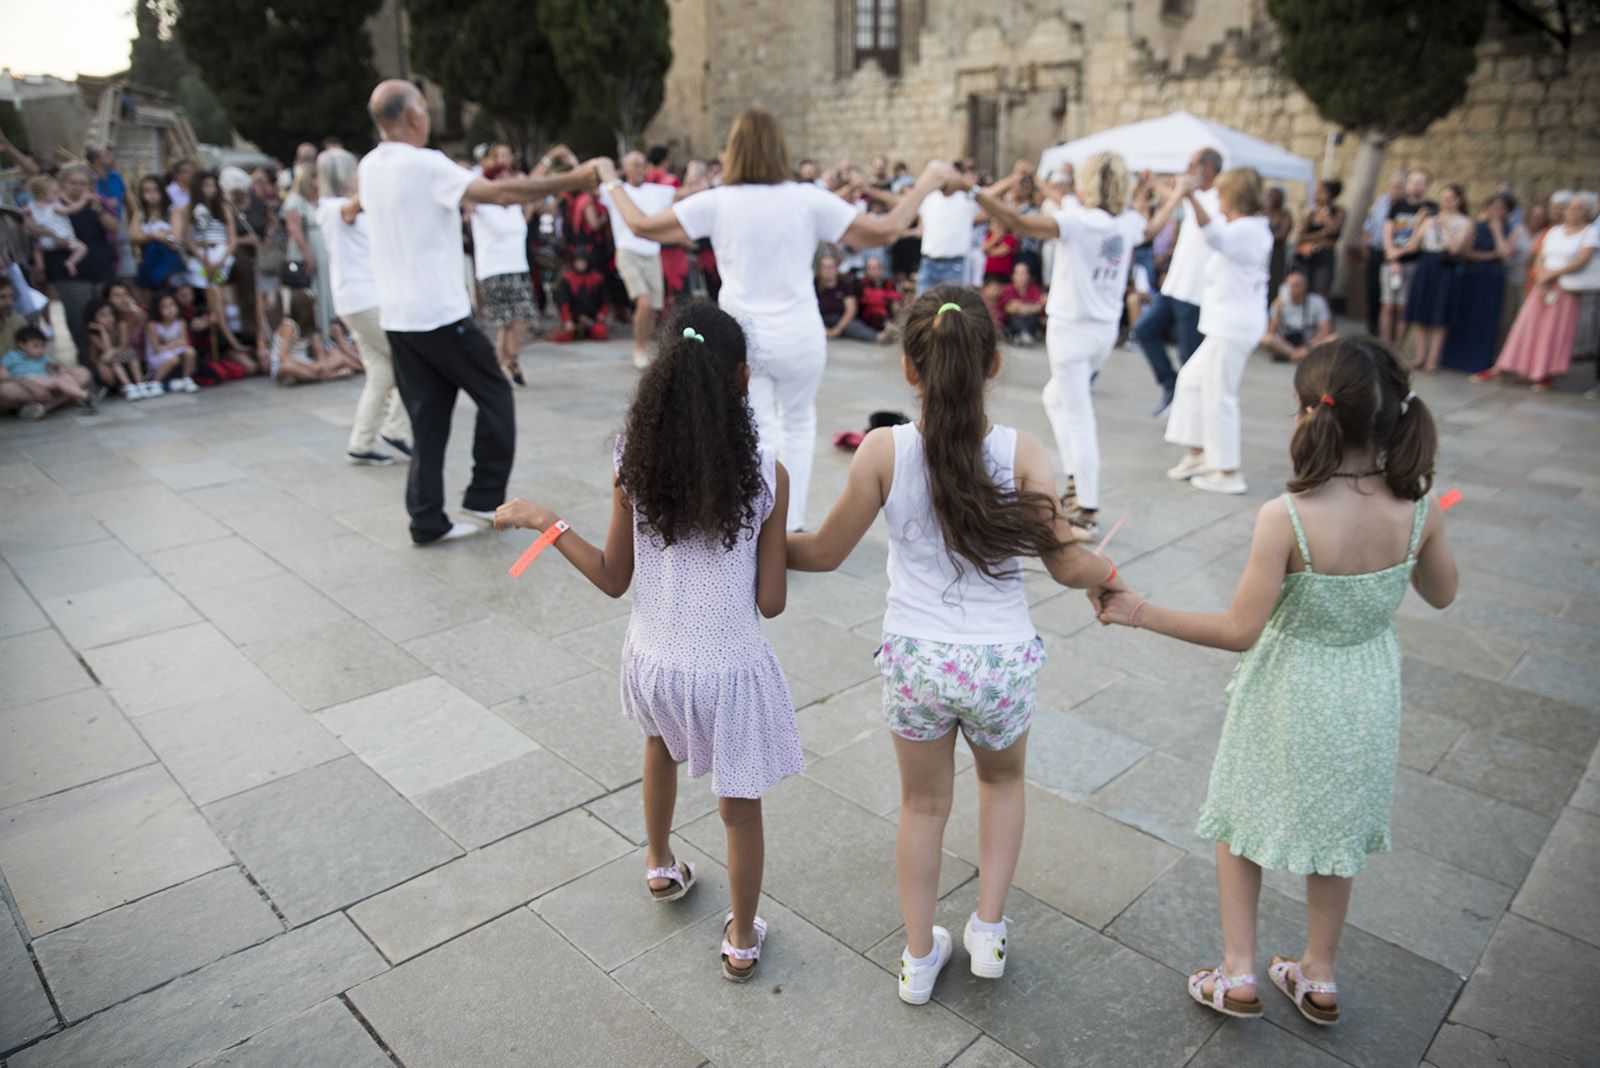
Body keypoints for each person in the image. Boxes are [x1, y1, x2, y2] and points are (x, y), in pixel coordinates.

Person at [1093, 337, 1457, 1029]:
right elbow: (1443, 594)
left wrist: (1140, 610)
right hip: (1365, 692)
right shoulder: (1420, 507)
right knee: (1338, 834)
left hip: (1288, 687)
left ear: (1307, 413)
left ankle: (1238, 974)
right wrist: (1419, 532)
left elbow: (1239, 629)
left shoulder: (1286, 517)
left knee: (1241, 822)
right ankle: (1319, 975)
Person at [786, 288, 1125, 1004]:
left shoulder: (884, 450)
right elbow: (1068, 565)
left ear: (912, 371)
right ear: (994, 364)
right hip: (999, 661)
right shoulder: (1022, 451)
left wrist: (753, 539)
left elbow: (819, 553)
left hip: (917, 660)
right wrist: (1107, 572)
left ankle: (916, 957)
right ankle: (990, 930)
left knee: (922, 806)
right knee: (1001, 784)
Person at [494, 304, 797, 981]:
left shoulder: (632, 459)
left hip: (654, 660)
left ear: (661, 377)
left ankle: (660, 866)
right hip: (726, 670)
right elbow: (771, 601)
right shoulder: (766, 475)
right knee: (739, 808)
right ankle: (743, 941)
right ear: (742, 380)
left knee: (658, 746)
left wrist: (546, 520)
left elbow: (611, 577)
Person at [599, 109, 950, 531]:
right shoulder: (806, 197)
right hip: (799, 334)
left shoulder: (718, 200)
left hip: (740, 340)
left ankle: (759, 523)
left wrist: (610, 178)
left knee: (755, 431)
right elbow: (885, 229)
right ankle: (791, 524)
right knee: (799, 426)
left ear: (735, 152)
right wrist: (928, 180)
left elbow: (639, 225)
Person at [352, 80, 597, 545]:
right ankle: (484, 496)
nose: (426, 116)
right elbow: (500, 195)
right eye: (423, 107)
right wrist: (573, 179)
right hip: (439, 315)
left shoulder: (370, 164)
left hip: (399, 319)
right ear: (411, 117)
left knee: (429, 419)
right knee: (496, 395)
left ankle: (426, 520)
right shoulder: (425, 164)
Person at [977, 153, 1150, 540]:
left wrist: (975, 192)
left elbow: (1020, 222)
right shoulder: (1127, 222)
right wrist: (1157, 194)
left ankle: (1085, 509)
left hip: (1072, 331)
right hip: (1103, 332)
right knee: (1055, 397)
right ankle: (1076, 486)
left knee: (1078, 415)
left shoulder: (1077, 222)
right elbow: (1149, 224)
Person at [1164, 168, 1273, 496]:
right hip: (1226, 325)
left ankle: (1228, 470)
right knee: (1192, 381)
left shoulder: (1245, 232)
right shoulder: (1247, 229)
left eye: (1222, 195)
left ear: (1234, 197)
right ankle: (1199, 452)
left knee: (1219, 396)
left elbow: (1214, 235)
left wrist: (1189, 195)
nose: (1219, 201)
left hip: (1233, 326)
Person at [315, 148, 412, 464]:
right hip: (364, 301)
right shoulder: (332, 208)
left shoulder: (343, 209)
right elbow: (350, 210)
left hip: (359, 301)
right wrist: (375, 180)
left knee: (381, 374)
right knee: (413, 359)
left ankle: (361, 443)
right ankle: (395, 429)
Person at [1475, 192, 1599, 391]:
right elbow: (1540, 256)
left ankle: (1543, 374)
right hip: (1543, 283)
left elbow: (1582, 259)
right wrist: (1541, 278)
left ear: (1588, 212)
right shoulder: (1554, 231)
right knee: (1526, 325)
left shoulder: (1590, 232)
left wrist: (1553, 275)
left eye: (1579, 208)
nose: (1573, 211)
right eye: (1571, 207)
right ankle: (1508, 366)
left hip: (1566, 287)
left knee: (1553, 331)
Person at [1133, 148, 1223, 417]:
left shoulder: (1219, 199)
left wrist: (1184, 192)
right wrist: (1153, 184)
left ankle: (1190, 411)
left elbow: (1202, 216)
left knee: (1190, 357)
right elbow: (1174, 198)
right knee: (1144, 330)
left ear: (1207, 169)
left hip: (1196, 293)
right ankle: (1171, 386)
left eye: (1191, 164)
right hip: (1173, 287)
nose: (1186, 169)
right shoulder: (1194, 197)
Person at [602, 151, 678, 369]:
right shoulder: (615, 190)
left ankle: (644, 345)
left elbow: (682, 194)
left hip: (652, 253)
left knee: (654, 307)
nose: (639, 169)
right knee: (643, 302)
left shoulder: (656, 191)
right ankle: (638, 348)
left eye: (642, 164)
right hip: (627, 252)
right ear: (624, 168)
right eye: (634, 164)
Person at [468, 159, 540, 384]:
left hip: (518, 267)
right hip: (494, 270)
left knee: (521, 318)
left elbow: (533, 185)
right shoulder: (482, 206)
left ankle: (505, 363)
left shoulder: (515, 206)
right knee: (508, 321)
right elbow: (467, 191)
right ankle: (509, 363)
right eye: (502, 176)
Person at [47, 166, 120, 364]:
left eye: (84, 184)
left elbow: (114, 228)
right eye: (74, 183)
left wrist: (100, 211)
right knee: (79, 320)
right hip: (70, 271)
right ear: (63, 184)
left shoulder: (95, 204)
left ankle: (113, 364)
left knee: (109, 316)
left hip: (101, 265)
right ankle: (89, 364)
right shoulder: (55, 205)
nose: (79, 188)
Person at [1400, 183, 1472, 373]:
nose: (1446, 202)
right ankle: (1420, 356)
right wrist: (1418, 223)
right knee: (1421, 312)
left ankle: (1433, 359)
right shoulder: (1429, 220)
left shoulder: (1464, 222)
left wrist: (1446, 224)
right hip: (1426, 264)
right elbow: (1413, 246)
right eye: (1444, 198)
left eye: (1450, 198)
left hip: (1445, 266)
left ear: (1459, 200)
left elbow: (1456, 249)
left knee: (1440, 315)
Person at [1441, 194, 1514, 374]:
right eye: (1494, 206)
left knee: (1485, 320)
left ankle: (1479, 361)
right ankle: (1454, 358)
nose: (1497, 211)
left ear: (1508, 211)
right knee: (1464, 315)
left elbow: (1505, 254)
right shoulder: (1475, 225)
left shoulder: (1511, 229)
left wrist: (1497, 231)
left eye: (1502, 208)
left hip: (1492, 280)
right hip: (1470, 276)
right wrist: (1490, 255)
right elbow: (1466, 252)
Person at [177, 171, 246, 355]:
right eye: (206, 186)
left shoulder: (223, 208)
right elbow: (187, 239)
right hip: (202, 257)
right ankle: (225, 337)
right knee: (211, 292)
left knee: (224, 294)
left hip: (222, 255)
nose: (210, 190)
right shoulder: (188, 209)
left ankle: (236, 334)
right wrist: (202, 258)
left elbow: (232, 239)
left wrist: (221, 259)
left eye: (212, 186)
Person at [1380, 169, 1437, 347]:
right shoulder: (1397, 206)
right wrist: (1392, 257)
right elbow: (1387, 234)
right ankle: (1384, 345)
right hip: (1392, 261)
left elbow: (1418, 241)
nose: (1415, 186)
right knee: (1388, 305)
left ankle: (1397, 346)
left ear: (1427, 186)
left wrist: (1399, 253)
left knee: (1405, 308)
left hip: (1414, 263)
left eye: (1420, 182)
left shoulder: (1430, 209)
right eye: (1412, 182)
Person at [282, 166, 335, 348]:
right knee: (310, 294)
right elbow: (294, 230)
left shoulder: (319, 199)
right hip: (306, 251)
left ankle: (329, 334)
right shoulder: (295, 200)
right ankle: (314, 340)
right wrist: (308, 255)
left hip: (322, 250)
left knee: (325, 292)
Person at [4, 325, 95, 412]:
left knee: (69, 376)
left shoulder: (42, 357)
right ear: (21, 344)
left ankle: (54, 403)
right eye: (36, 346)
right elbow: (3, 373)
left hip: (45, 379)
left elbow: (56, 364)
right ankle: (85, 395)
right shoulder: (12, 356)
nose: (40, 350)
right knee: (58, 381)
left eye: (42, 346)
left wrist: (62, 368)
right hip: (27, 379)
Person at [916, 173, 980, 294]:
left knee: (952, 307)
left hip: (954, 264)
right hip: (928, 262)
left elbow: (987, 195)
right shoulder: (929, 198)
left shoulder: (965, 198)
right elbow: (904, 201)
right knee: (923, 308)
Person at [131, 176, 187, 302]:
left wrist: (146, 236)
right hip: (148, 261)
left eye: (155, 190)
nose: (151, 194)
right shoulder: (140, 213)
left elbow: (175, 239)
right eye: (146, 191)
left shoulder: (172, 211)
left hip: (168, 260)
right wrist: (153, 235)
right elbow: (133, 235)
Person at [1262, 270, 1336, 363]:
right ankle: (1296, 355)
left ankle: (1300, 355)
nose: (1294, 289)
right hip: (1287, 342)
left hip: (1310, 341)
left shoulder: (1317, 302)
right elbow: (1271, 331)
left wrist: (1308, 346)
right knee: (1266, 338)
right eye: (1290, 286)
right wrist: (1277, 312)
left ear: (1305, 287)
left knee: (1333, 338)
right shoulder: (1278, 303)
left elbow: (1325, 329)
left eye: (1297, 285)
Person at [1360, 173, 1403, 336]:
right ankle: (1372, 327)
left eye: (1399, 187)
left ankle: (1389, 331)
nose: (1396, 190)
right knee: (1373, 291)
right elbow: (1368, 226)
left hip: (1394, 255)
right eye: (1393, 186)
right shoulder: (1380, 202)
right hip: (1375, 251)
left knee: (1390, 297)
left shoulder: (1405, 206)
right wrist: (1366, 249)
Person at [24, 175, 90, 277]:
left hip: (45, 242)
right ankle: (70, 263)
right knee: (82, 248)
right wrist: (83, 199)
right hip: (64, 239)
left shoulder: (32, 206)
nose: (58, 195)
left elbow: (21, 212)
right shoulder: (54, 207)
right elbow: (72, 209)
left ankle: (40, 266)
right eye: (55, 192)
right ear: (42, 195)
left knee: (38, 249)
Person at [85, 299, 148, 400]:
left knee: (131, 355)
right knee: (114, 362)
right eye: (103, 315)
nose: (109, 318)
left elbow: (123, 346)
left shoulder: (121, 325)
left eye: (110, 314)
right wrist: (103, 331)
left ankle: (140, 384)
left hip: (122, 355)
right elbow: (106, 350)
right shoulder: (95, 334)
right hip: (107, 363)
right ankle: (128, 387)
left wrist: (110, 354)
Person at [1292, 180, 1344, 300]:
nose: (1316, 194)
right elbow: (1301, 235)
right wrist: (1322, 234)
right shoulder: (1310, 213)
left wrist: (1326, 215)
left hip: (1324, 256)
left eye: (1321, 191)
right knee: (1301, 288)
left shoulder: (1338, 212)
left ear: (1329, 194)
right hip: (1306, 254)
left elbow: (1334, 230)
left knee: (1321, 292)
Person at [145, 292, 200, 393]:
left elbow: (184, 341)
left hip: (173, 351)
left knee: (190, 352)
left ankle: (186, 379)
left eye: (171, 305)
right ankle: (155, 382)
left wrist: (170, 345)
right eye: (164, 307)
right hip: (158, 356)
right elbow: (156, 348)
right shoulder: (153, 325)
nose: (169, 309)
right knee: (173, 359)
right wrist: (175, 344)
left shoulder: (181, 322)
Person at [815, 254, 876, 342]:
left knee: (857, 327)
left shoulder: (844, 285)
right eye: (825, 267)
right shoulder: (812, 285)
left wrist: (836, 330)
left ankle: (880, 337)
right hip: (819, 320)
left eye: (831, 267)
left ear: (836, 269)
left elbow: (850, 310)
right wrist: (822, 329)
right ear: (819, 269)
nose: (829, 270)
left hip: (841, 320)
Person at [550, 251, 609, 341]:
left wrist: (602, 314)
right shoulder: (567, 278)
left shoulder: (597, 278)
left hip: (592, 318)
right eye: (578, 261)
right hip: (573, 318)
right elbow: (563, 302)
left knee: (601, 333)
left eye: (583, 261)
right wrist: (567, 320)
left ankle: (585, 332)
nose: (580, 264)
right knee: (560, 337)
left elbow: (605, 300)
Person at [996, 261, 1044, 345]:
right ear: (1013, 276)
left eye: (1024, 273)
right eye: (1019, 273)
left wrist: (1021, 307)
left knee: (1033, 316)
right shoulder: (1008, 289)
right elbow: (1010, 308)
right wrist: (1031, 307)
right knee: (1014, 316)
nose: (1022, 277)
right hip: (1013, 322)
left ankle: (1026, 335)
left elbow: (1040, 307)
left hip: (1030, 320)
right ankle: (1020, 335)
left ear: (1029, 276)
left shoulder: (1034, 289)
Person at [856, 256, 900, 339]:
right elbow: (871, 299)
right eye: (871, 268)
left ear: (881, 270)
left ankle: (894, 329)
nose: (874, 270)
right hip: (868, 319)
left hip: (888, 315)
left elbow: (897, 296)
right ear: (866, 270)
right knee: (876, 307)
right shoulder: (861, 284)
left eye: (876, 267)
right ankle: (890, 329)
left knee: (897, 305)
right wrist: (888, 298)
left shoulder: (887, 283)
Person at [1264, 186, 1293, 302]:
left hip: (1276, 253)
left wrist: (1264, 235)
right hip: (1263, 252)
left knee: (1273, 283)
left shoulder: (1284, 215)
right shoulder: (1262, 212)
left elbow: (1282, 235)